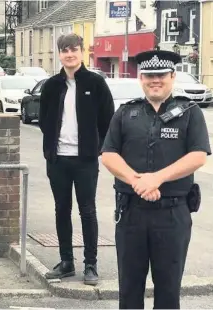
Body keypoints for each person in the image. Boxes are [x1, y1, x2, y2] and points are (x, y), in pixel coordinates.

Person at [100, 49, 210, 309]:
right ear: (141, 79)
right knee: (129, 289)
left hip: (172, 215)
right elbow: (108, 154)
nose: (155, 80)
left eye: (161, 74)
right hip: (131, 214)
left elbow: (198, 156)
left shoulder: (190, 113)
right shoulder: (126, 113)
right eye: (149, 75)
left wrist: (156, 179)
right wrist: (137, 181)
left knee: (168, 290)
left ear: (172, 76)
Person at [38, 33, 115, 285]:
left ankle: (90, 265)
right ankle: (66, 261)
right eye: (64, 50)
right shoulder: (51, 85)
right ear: (59, 54)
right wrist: (52, 145)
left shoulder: (95, 83)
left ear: (82, 52)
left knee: (87, 211)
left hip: (85, 161)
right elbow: (43, 120)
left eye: (73, 49)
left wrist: (97, 148)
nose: (69, 54)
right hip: (58, 160)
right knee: (62, 210)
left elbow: (108, 120)